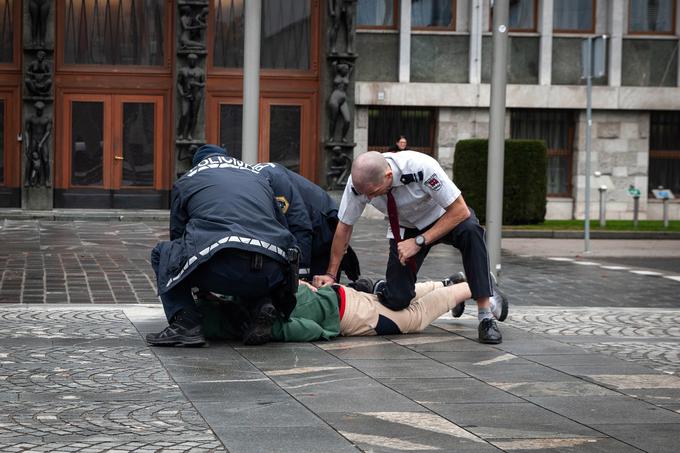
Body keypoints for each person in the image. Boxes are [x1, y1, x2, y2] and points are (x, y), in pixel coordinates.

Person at [313, 151, 509, 344]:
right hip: (407, 227)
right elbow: (344, 226)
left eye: (372, 193)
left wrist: (419, 241)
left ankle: (485, 316)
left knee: (471, 231)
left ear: (388, 176)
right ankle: (449, 285)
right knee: (397, 301)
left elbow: (460, 210)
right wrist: (331, 274)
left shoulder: (421, 167)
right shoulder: (359, 185)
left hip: (445, 217)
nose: (369, 199)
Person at [146, 145, 303, 348]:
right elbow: (283, 226)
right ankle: (261, 306)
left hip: (221, 265)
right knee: (257, 251)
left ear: (199, 162)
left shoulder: (188, 179)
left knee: (163, 253)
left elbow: (178, 236)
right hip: (271, 272)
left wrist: (197, 284)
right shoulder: (257, 177)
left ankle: (185, 324)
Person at [199, 274, 474, 343]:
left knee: (413, 318)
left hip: (347, 315)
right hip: (340, 295)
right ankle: (445, 283)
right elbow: (299, 285)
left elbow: (315, 329)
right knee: (394, 301)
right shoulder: (247, 290)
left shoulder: (268, 323)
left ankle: (474, 287)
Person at [253, 162, 360, 281]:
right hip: (304, 222)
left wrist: (300, 276)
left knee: (317, 286)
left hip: (322, 228)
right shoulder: (253, 180)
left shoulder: (271, 182)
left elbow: (300, 227)